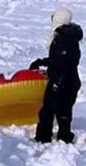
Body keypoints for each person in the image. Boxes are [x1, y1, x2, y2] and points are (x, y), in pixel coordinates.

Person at [29, 8, 83, 144]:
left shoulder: (65, 38)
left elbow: (63, 63)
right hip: (67, 81)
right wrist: (42, 62)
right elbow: (59, 59)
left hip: (63, 82)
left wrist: (57, 83)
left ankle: (44, 138)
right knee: (62, 111)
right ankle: (63, 137)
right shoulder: (65, 36)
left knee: (49, 111)